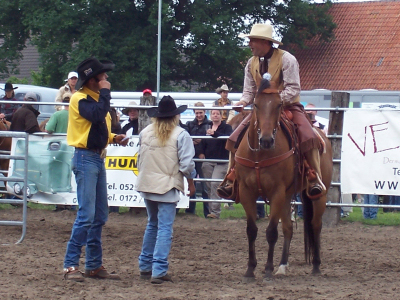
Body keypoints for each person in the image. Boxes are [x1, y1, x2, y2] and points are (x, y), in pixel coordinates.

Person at [218, 23, 325, 200]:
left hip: (288, 105)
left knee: (308, 135)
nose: (249, 44)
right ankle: (231, 178)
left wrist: (274, 102)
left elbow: (293, 88)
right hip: (261, 110)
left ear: (264, 42)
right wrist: (243, 102)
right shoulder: (250, 63)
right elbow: (249, 90)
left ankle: (315, 178)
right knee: (234, 138)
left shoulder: (287, 59)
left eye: (252, 40)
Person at [63, 57, 128, 282]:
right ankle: (71, 264)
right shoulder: (80, 99)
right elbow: (98, 115)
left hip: (95, 158)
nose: (107, 79)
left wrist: (113, 137)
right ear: (93, 79)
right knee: (87, 214)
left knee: (98, 215)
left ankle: (92, 265)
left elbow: (96, 127)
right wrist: (106, 93)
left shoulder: (90, 98)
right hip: (86, 158)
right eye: (103, 76)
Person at [137, 95, 196, 284]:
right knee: (164, 228)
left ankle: (145, 265)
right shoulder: (181, 134)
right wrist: (191, 182)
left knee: (152, 223)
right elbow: (187, 165)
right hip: (167, 185)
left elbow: (140, 159)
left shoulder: (145, 131)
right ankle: (159, 269)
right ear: (175, 115)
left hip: (147, 183)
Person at [199, 109, 232, 218]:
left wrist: (215, 134)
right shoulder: (206, 127)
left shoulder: (226, 127)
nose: (215, 115)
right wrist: (201, 152)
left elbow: (228, 139)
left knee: (215, 184)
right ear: (210, 115)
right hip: (208, 161)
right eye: (213, 113)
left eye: (217, 113)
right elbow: (203, 142)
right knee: (208, 186)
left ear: (221, 115)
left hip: (221, 161)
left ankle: (215, 212)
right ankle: (210, 211)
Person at [185, 102, 212, 216]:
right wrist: (196, 140)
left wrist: (201, 149)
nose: (199, 115)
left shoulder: (210, 124)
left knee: (206, 185)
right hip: (191, 157)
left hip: (203, 157)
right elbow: (186, 138)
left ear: (204, 112)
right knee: (191, 183)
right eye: (197, 113)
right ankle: (190, 210)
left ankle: (208, 212)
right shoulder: (189, 124)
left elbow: (209, 141)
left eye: (200, 112)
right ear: (194, 113)